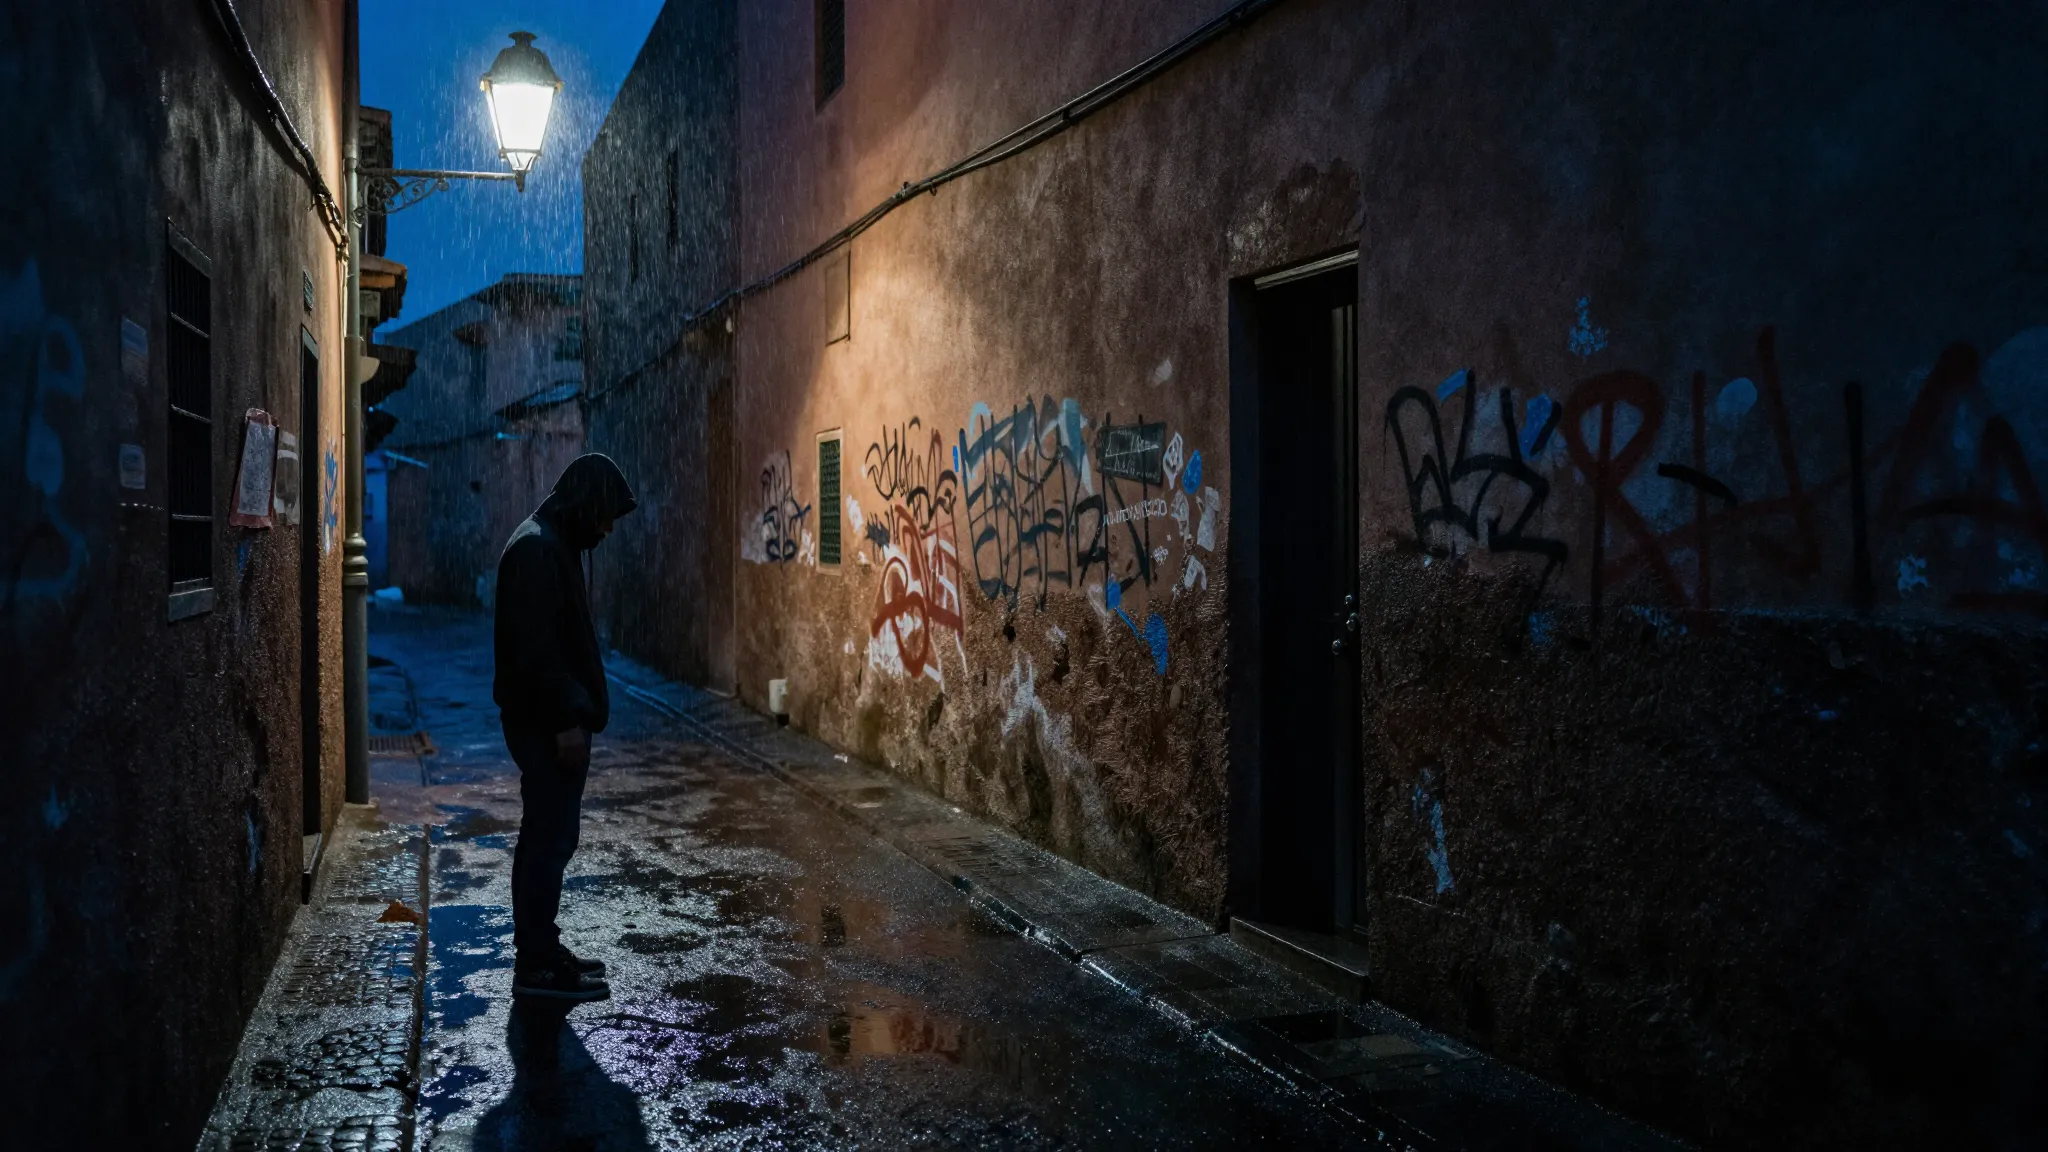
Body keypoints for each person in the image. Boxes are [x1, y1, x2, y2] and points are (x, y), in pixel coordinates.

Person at [493, 453, 638, 1001]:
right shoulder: (537, 549)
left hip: (548, 720)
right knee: (547, 841)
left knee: (551, 838)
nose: (606, 530)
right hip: (545, 725)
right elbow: (538, 653)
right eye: (603, 517)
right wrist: (564, 723)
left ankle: (542, 949)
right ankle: (535, 965)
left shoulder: (551, 542)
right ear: (584, 505)